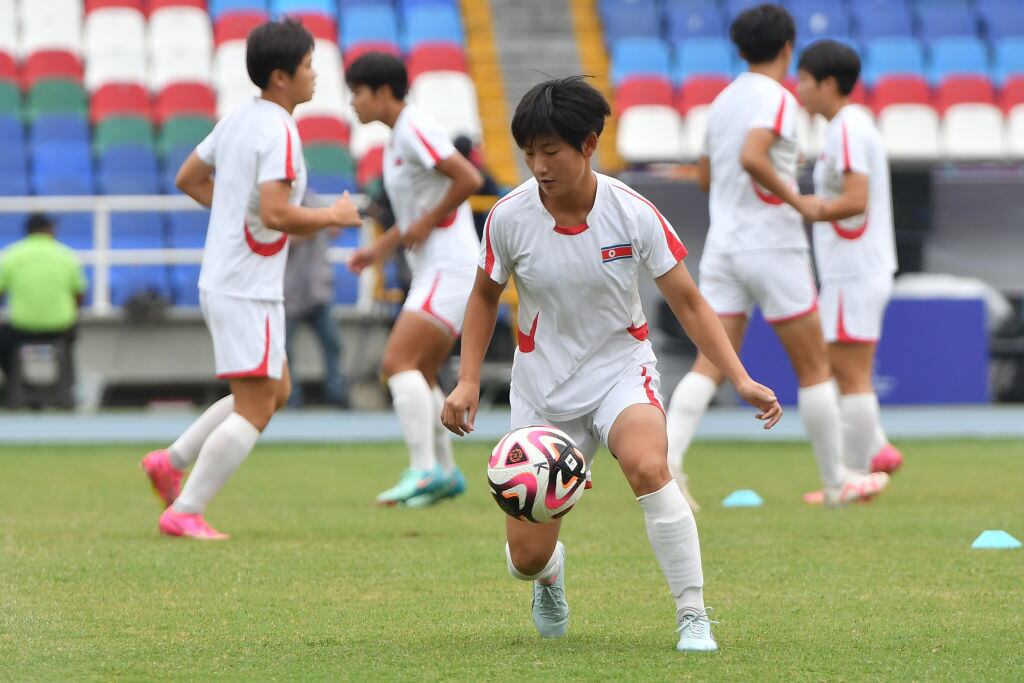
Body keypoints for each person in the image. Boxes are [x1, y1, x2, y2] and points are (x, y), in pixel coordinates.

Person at [441, 76, 783, 652]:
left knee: (650, 467)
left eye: (550, 150)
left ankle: (692, 614)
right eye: (529, 153)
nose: (538, 165)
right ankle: (549, 577)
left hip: (620, 372)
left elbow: (690, 301)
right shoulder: (507, 217)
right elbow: (483, 296)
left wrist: (741, 377)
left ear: (589, 144)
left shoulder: (633, 213)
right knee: (524, 560)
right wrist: (468, 379)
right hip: (543, 392)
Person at [140, 19, 362, 539]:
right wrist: (333, 216)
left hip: (229, 278)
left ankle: (171, 463)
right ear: (282, 77)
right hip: (248, 285)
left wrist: (236, 218)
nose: (315, 77)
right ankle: (186, 509)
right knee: (258, 404)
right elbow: (279, 213)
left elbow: (189, 177)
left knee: (273, 389)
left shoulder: (240, 119)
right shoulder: (279, 130)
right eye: (309, 67)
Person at [662, 4, 889, 508]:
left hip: (724, 245)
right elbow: (752, 154)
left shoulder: (721, 102)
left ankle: (669, 465)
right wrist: (796, 198)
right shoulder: (778, 99)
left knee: (710, 363)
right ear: (787, 49)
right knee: (813, 368)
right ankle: (837, 482)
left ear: (739, 49)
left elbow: (706, 176)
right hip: (774, 244)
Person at [345, 52, 483, 507]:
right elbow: (416, 216)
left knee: (396, 363)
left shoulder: (414, 127)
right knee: (420, 371)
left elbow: (468, 177)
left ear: (383, 92)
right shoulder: (397, 137)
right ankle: (444, 473)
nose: (352, 103)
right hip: (436, 267)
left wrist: (427, 223)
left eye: (358, 93)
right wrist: (377, 250)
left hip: (450, 265)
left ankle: (423, 470)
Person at [794, 40, 903, 493]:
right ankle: (874, 450)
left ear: (829, 84)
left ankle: (857, 475)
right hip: (858, 269)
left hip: (853, 270)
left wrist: (800, 205)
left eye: (804, 80)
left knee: (850, 373)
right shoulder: (852, 126)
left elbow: (855, 198)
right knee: (845, 369)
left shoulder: (845, 129)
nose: (799, 89)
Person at [0, 213, 85, 390]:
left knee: (3, 342)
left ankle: (18, 386)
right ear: (49, 230)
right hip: (60, 329)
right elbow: (79, 294)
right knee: (70, 337)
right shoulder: (66, 254)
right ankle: (66, 389)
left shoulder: (11, 255)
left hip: (22, 329)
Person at [283, 190, 350, 408]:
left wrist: (332, 222)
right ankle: (291, 398)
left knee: (333, 344)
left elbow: (333, 229)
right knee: (284, 350)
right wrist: (316, 224)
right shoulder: (278, 203)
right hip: (286, 291)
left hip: (317, 289)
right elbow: (281, 239)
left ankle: (337, 394)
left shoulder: (313, 199)